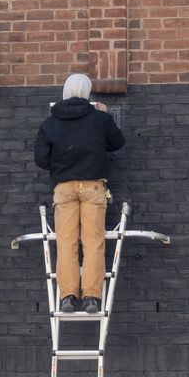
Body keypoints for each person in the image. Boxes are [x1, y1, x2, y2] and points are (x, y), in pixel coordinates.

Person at [33, 73, 126, 314]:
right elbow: (117, 143)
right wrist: (105, 116)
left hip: (63, 188)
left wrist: (61, 165)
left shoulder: (50, 123)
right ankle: (92, 298)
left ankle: (68, 296)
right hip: (93, 187)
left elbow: (40, 159)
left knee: (66, 245)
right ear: (87, 92)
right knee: (94, 243)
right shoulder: (99, 119)